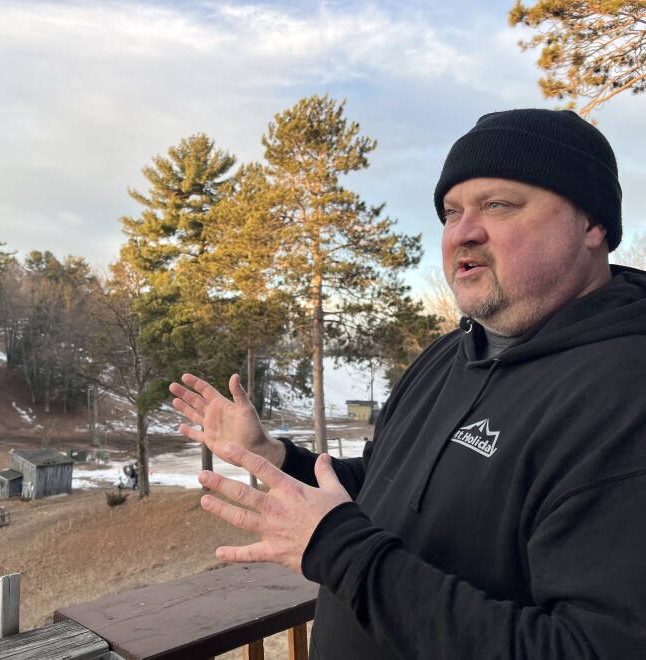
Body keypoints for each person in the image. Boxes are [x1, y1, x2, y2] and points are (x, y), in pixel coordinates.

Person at [169, 109, 646, 659]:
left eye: (497, 204)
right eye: (451, 212)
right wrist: (272, 454)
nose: (463, 231)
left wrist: (342, 554)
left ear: (592, 225)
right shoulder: (450, 354)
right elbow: (379, 483)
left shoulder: (624, 393)